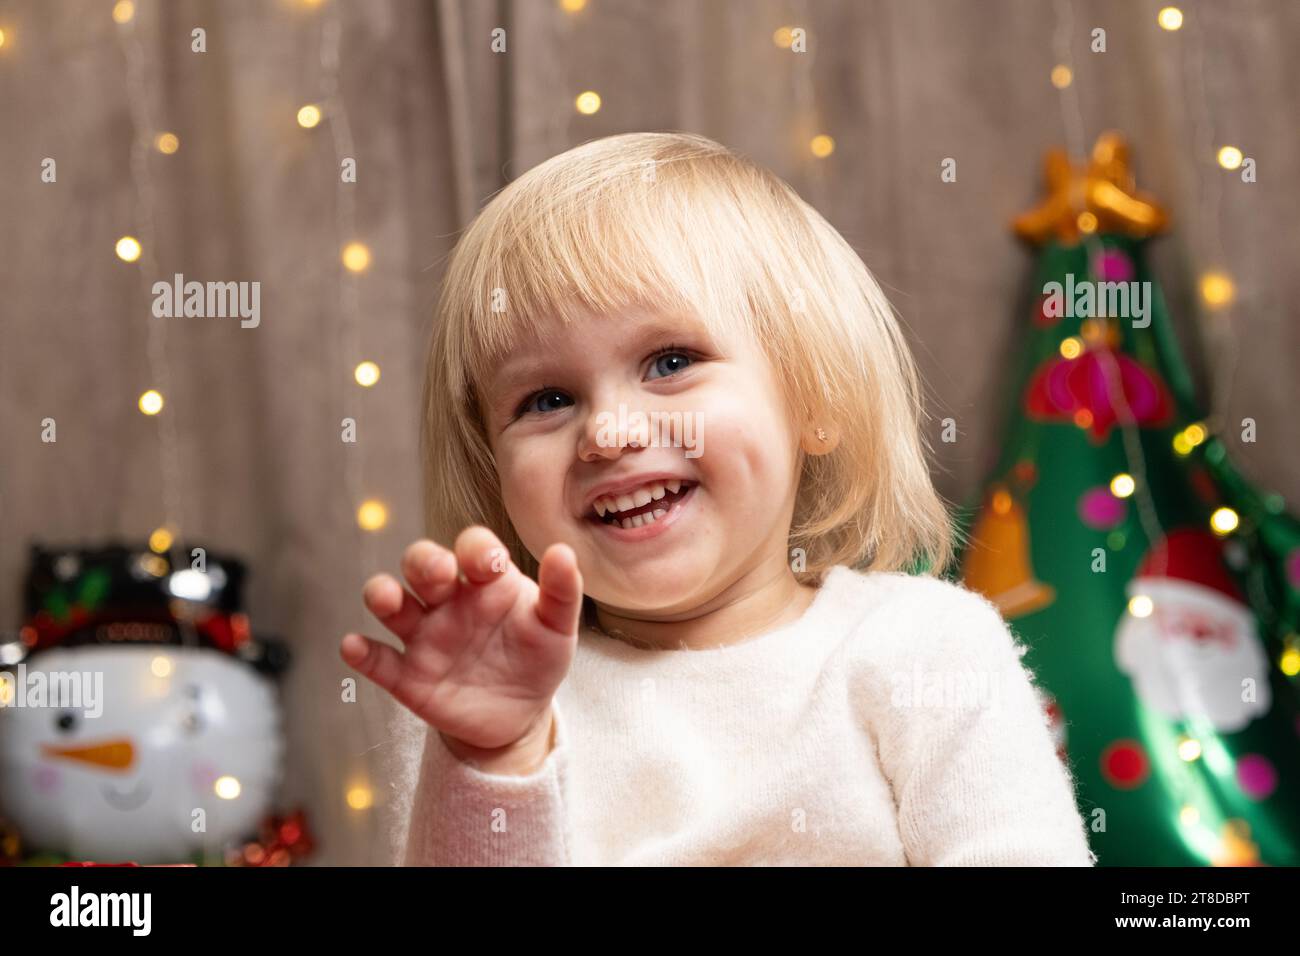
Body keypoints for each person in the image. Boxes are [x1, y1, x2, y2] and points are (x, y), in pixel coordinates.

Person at [339, 131, 1096, 866]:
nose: (607, 431)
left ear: (815, 396)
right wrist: (495, 755)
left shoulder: (923, 643)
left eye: (670, 361)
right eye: (545, 400)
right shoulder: (496, 698)